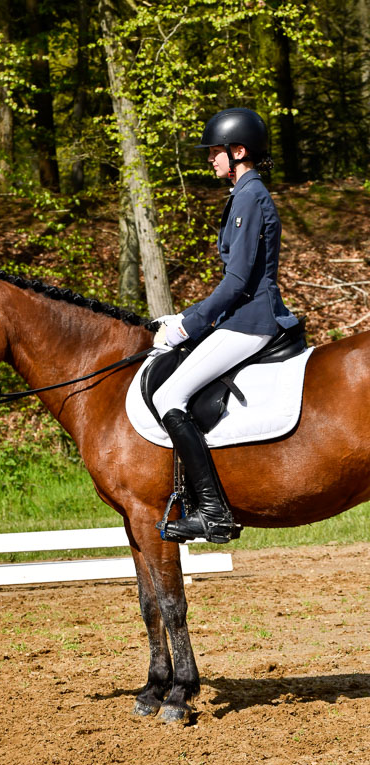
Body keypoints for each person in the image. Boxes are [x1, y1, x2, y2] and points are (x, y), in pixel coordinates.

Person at [153, 107, 298, 543]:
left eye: (216, 151)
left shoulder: (251, 196)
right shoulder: (243, 194)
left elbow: (237, 281)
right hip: (239, 317)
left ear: (239, 151)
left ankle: (213, 512)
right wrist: (187, 317)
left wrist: (188, 324)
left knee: (168, 395)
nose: (210, 159)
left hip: (250, 322)